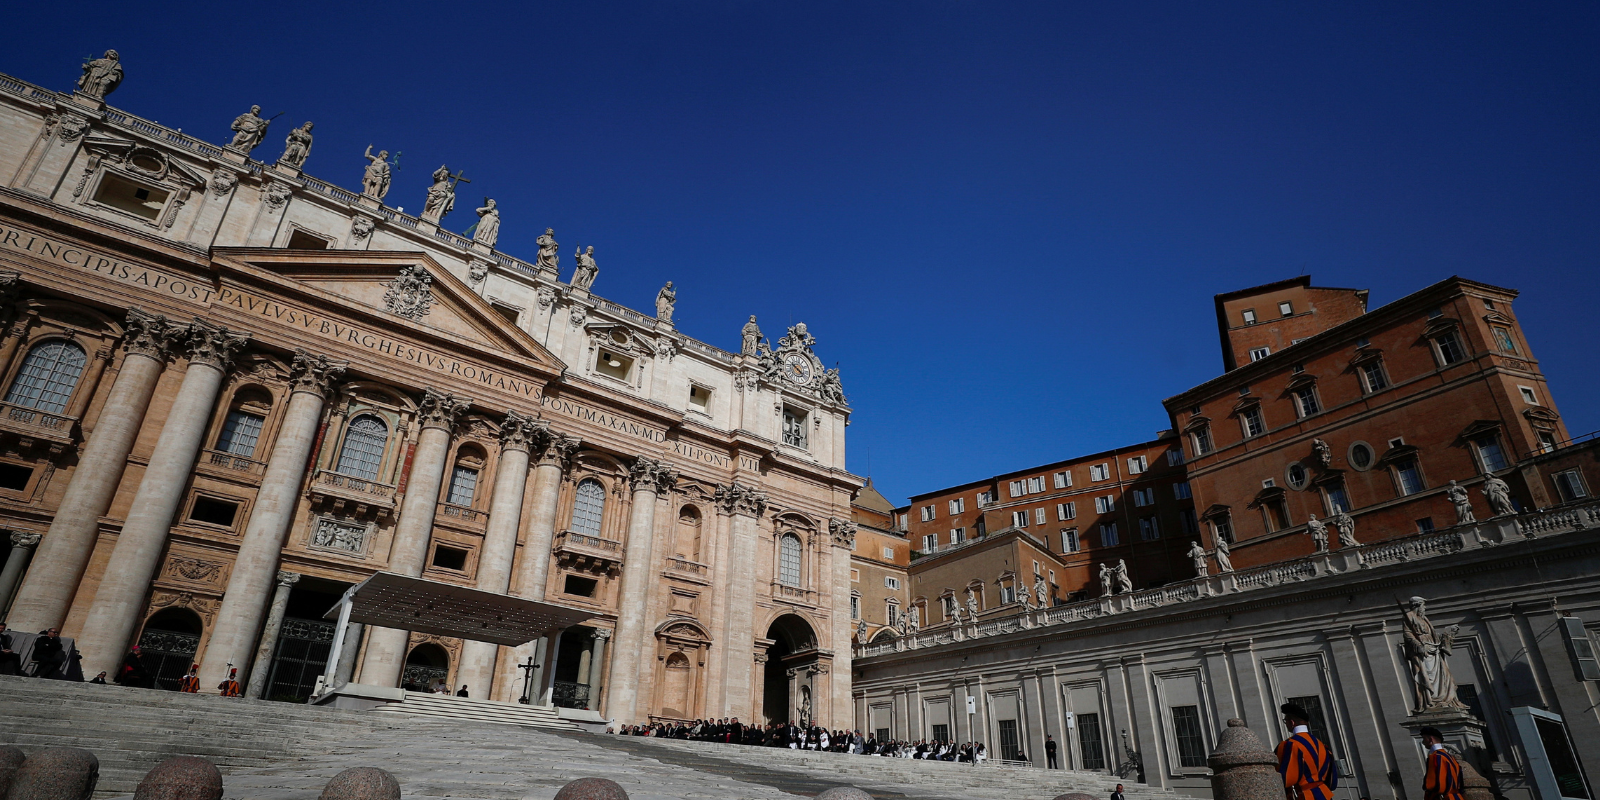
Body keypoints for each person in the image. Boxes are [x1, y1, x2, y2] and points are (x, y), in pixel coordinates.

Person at [1276, 703, 1339, 800]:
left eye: (1286, 721)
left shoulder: (1290, 745)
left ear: (1292, 722)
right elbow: (1332, 781)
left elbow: (1285, 779)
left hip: (1304, 795)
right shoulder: (1321, 745)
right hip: (1325, 794)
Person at [1420, 727, 1463, 800]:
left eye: (1424, 739)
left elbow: (1432, 784)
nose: (1423, 742)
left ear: (1431, 739)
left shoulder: (1435, 757)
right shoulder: (1450, 757)